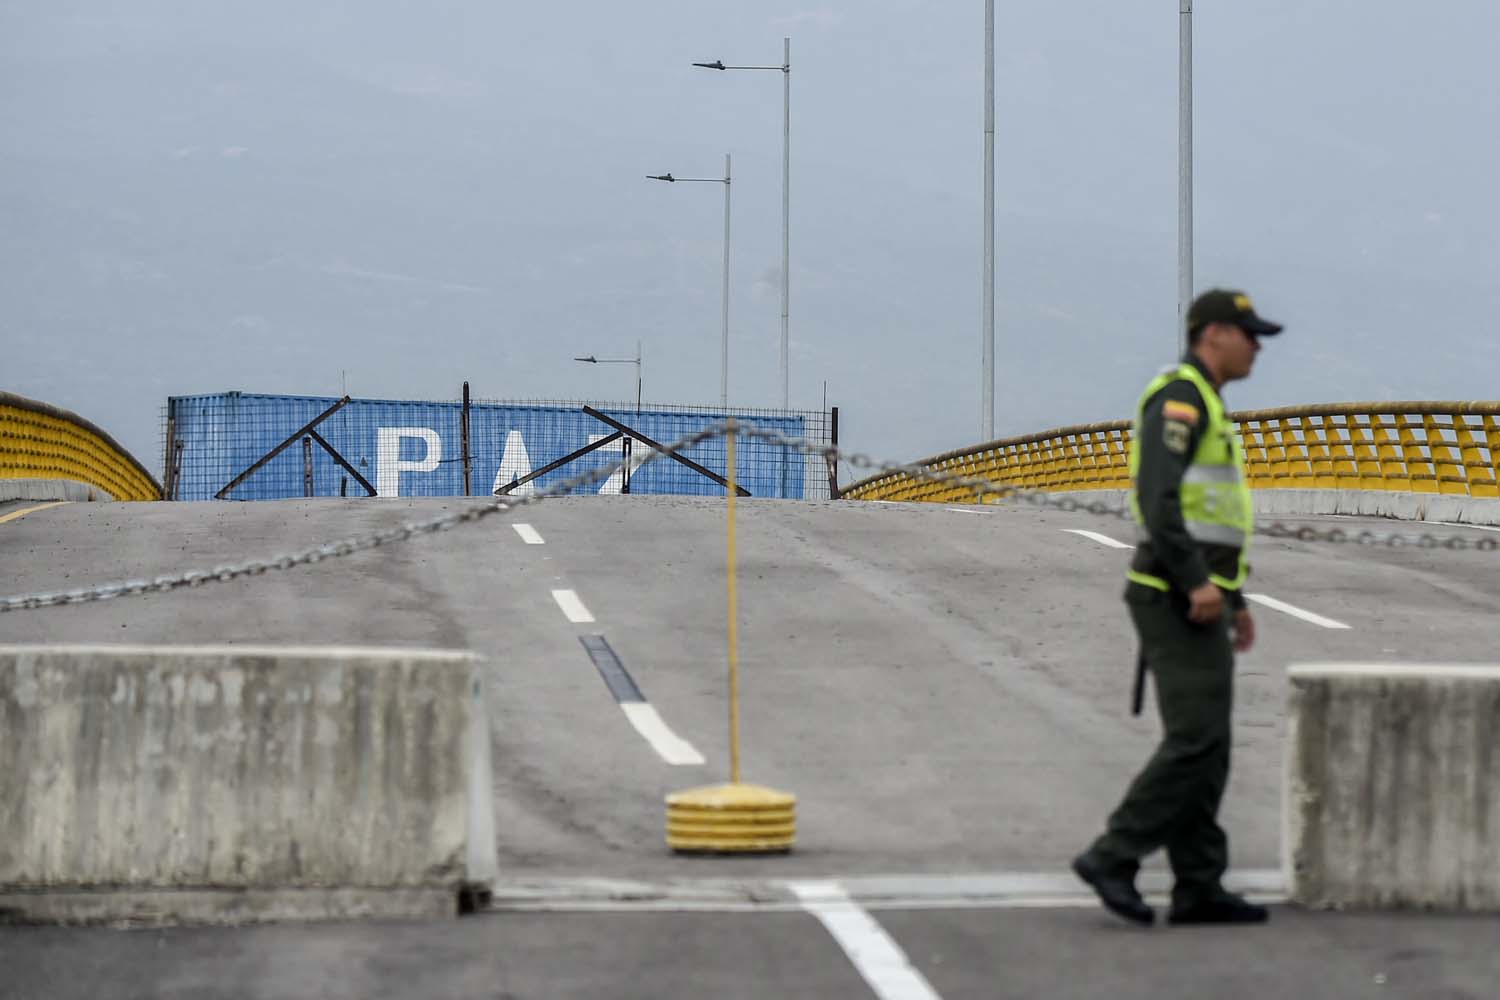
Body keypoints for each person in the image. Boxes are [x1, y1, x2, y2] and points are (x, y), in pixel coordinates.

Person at [1072, 288, 1282, 926]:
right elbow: (1159, 500)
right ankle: (1115, 854)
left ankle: (1198, 884)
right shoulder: (1182, 399)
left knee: (1209, 745)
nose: (1257, 346)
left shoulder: (1207, 402)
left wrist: (1235, 598)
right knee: (1195, 740)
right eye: (1249, 334)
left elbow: (1207, 515)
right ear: (1212, 333)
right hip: (1172, 595)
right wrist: (1195, 582)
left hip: (1203, 596)